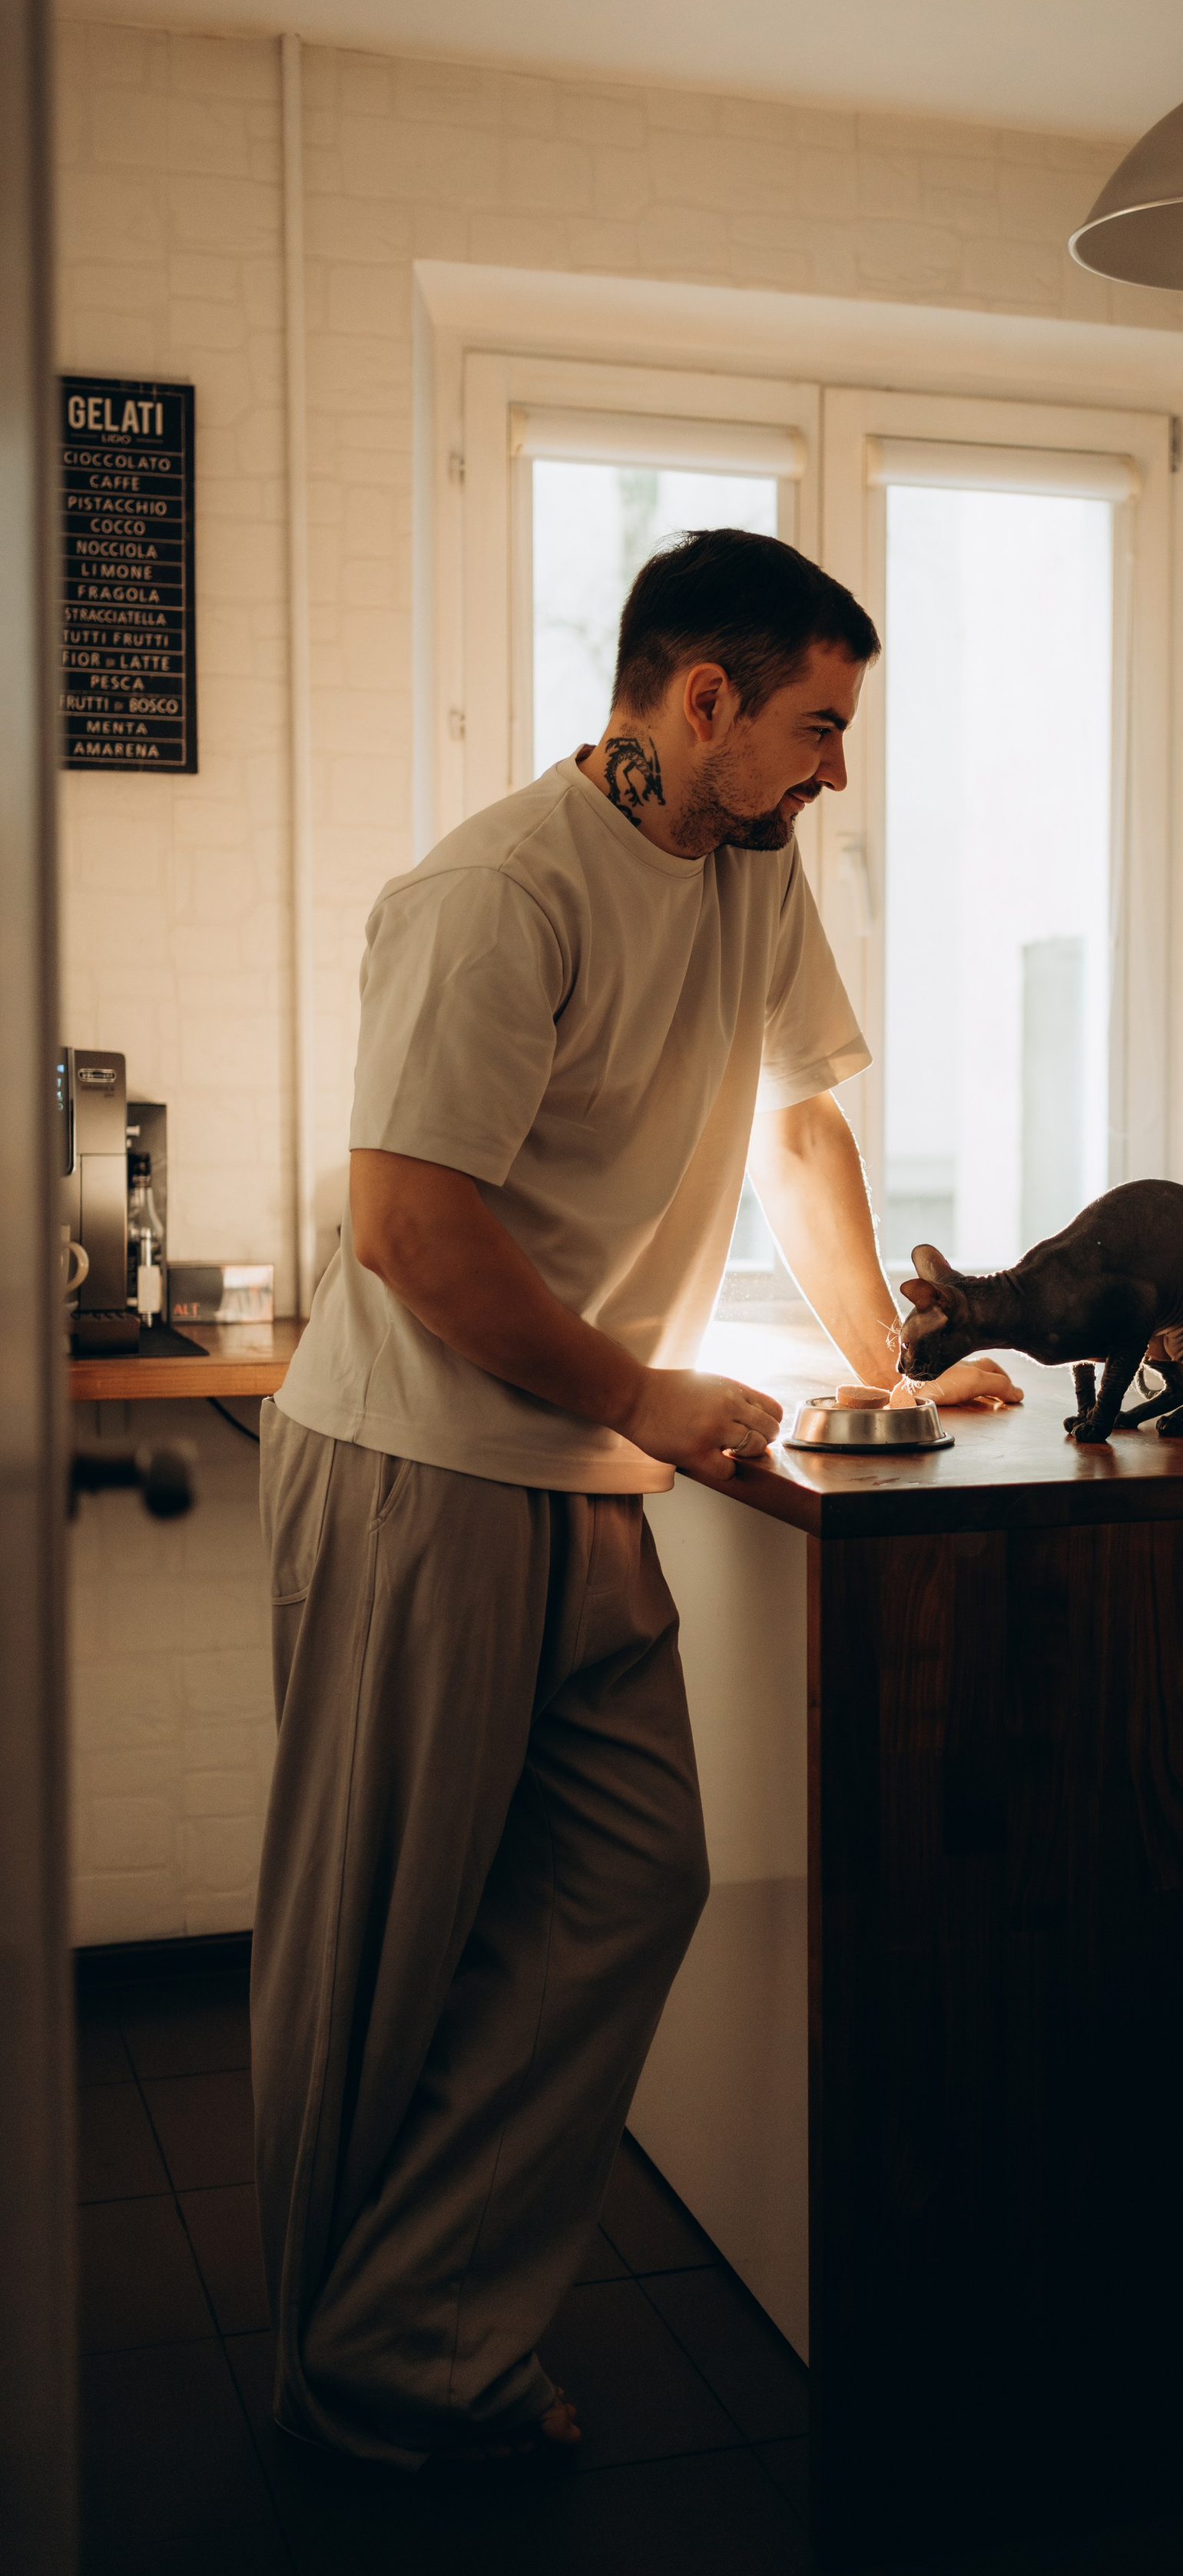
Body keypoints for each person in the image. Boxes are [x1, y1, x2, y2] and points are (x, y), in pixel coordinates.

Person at [254, 528, 1016, 2466]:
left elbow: (798, 1125)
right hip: (420, 1466)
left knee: (632, 1877)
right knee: (373, 1945)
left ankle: (402, 2332)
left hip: (583, 1468)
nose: (835, 770)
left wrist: (891, 1364)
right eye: (817, 727)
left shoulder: (748, 868)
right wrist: (649, 1393)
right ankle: (339, 2385)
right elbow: (412, 1223)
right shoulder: (498, 889)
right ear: (701, 702)